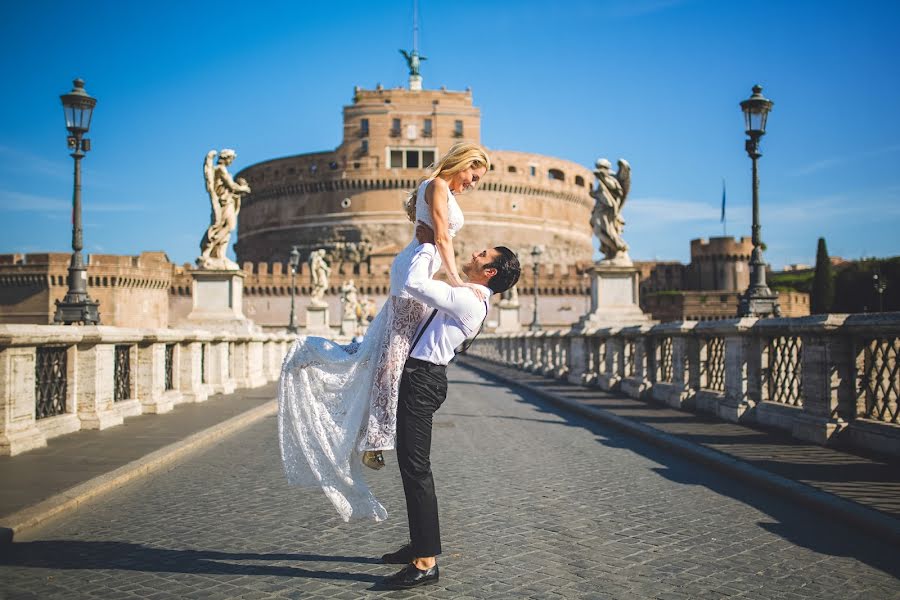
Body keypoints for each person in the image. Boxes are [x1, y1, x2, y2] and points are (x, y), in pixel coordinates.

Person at [278, 142, 490, 522]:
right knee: (391, 354)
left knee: (387, 351)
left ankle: (371, 433)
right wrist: (456, 280)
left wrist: (447, 277)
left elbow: (438, 236)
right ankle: (372, 435)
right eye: (474, 176)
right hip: (418, 267)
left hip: (420, 266)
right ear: (463, 164)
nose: (473, 184)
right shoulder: (437, 185)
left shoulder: (437, 187)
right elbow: (441, 237)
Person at [380, 232, 521, 590]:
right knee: (411, 466)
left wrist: (431, 244)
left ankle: (426, 561)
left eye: (483, 254)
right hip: (421, 376)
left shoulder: (468, 300)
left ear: (490, 272)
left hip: (422, 379)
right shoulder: (470, 296)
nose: (474, 253)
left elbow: (413, 283)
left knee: (416, 468)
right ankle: (418, 543)